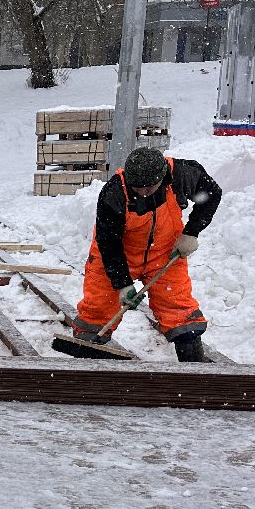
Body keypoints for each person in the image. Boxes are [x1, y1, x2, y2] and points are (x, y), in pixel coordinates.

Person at [72, 147, 221, 362]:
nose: (143, 192)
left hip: (164, 253)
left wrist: (191, 232)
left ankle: (193, 367)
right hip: (119, 253)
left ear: (162, 177)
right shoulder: (114, 193)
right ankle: (88, 358)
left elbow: (212, 193)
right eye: (137, 188)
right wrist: (122, 283)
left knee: (178, 307)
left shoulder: (182, 174)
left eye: (149, 188)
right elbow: (108, 243)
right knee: (98, 307)